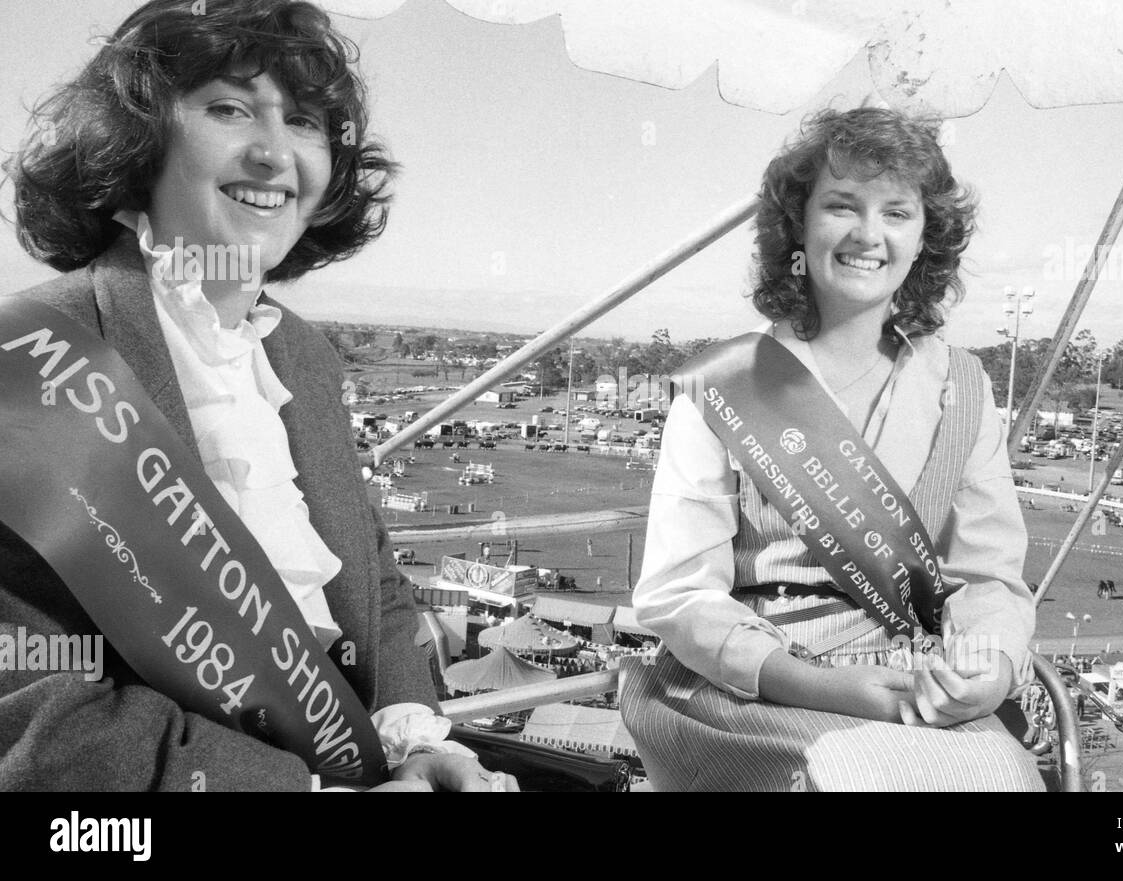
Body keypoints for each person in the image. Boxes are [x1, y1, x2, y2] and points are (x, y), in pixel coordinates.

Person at [0, 0, 515, 792]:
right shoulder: (32, 361)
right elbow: (32, 702)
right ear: (140, 139)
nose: (275, 152)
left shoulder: (305, 359)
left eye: (306, 121)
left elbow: (374, 585)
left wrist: (418, 746)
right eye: (230, 108)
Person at [621, 107, 1040, 791]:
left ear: (925, 235)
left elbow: (988, 579)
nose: (868, 235)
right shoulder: (724, 386)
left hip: (912, 675)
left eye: (896, 213)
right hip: (758, 687)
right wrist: (832, 689)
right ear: (798, 225)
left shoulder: (962, 386)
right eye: (842, 206)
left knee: (1006, 779)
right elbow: (680, 595)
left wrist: (986, 673)